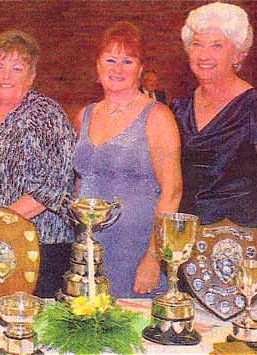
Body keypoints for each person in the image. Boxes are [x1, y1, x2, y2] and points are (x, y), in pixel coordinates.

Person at [174, 2, 257, 296]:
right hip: (190, 252)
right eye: (197, 44)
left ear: (238, 55)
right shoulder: (179, 108)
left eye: (217, 45)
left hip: (244, 256)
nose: (204, 55)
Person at [0, 29, 76, 298]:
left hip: (36, 246)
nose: (6, 76)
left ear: (31, 76)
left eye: (17, 68)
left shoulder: (47, 115)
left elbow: (53, 186)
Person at [73, 22, 182, 298]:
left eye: (127, 61)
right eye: (110, 60)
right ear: (97, 67)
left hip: (136, 252)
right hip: (89, 250)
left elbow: (172, 191)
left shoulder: (158, 117)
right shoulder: (83, 116)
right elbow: (80, 182)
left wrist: (154, 257)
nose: (117, 68)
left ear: (140, 69)